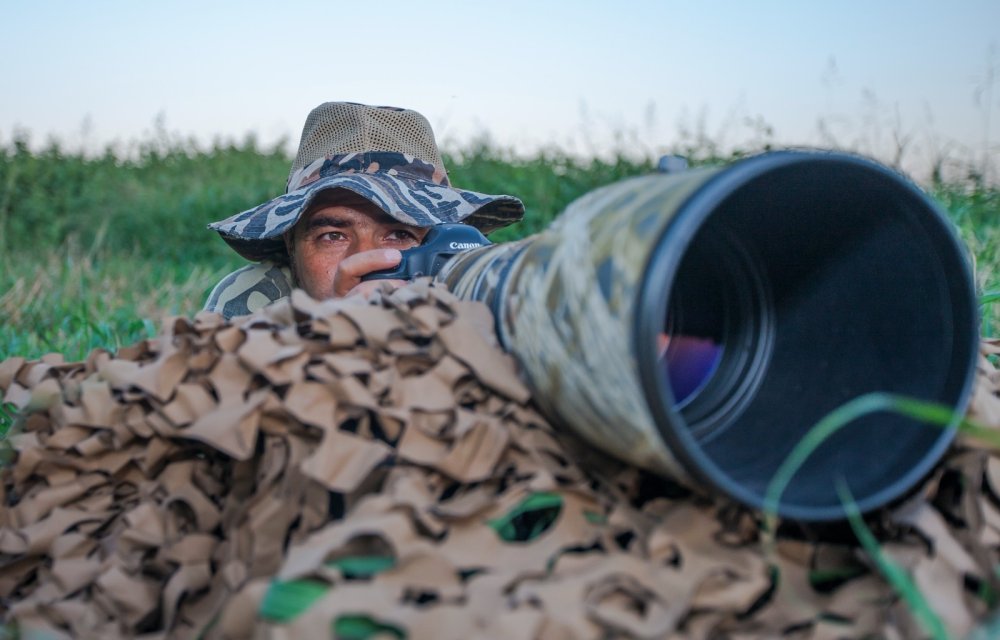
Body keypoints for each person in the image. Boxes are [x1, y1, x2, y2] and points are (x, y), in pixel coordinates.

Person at [203, 102, 525, 319]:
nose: (362, 264)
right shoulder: (254, 302)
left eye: (400, 234)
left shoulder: (473, 291)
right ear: (291, 245)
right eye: (333, 236)